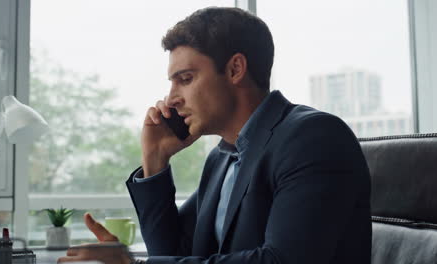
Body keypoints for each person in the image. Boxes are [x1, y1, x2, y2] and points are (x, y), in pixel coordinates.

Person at [58, 7, 371, 264]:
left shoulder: (313, 138)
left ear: (235, 69)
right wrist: (155, 160)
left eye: (186, 79)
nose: (170, 100)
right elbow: (172, 254)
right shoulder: (221, 159)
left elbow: (283, 260)